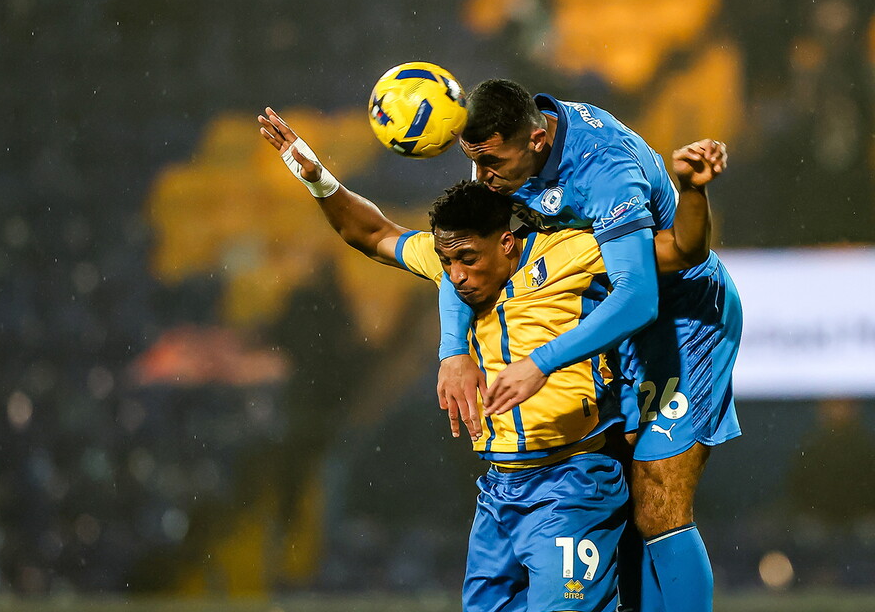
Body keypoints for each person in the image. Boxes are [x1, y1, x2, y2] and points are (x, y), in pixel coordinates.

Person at [257, 107, 725, 612]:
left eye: (468, 260)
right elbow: (371, 234)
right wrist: (318, 179)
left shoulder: (570, 253)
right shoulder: (452, 268)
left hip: (571, 485)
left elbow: (680, 250)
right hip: (499, 494)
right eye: (447, 262)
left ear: (505, 242)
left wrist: (692, 192)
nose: (455, 276)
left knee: (662, 515)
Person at [437, 79, 742, 612]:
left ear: (535, 139)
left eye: (490, 163)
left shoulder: (603, 168)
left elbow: (640, 295)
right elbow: (465, 246)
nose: (482, 178)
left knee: (659, 502)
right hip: (607, 328)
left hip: (679, 321)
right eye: (474, 162)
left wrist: (540, 363)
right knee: (614, 496)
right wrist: (453, 350)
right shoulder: (504, 157)